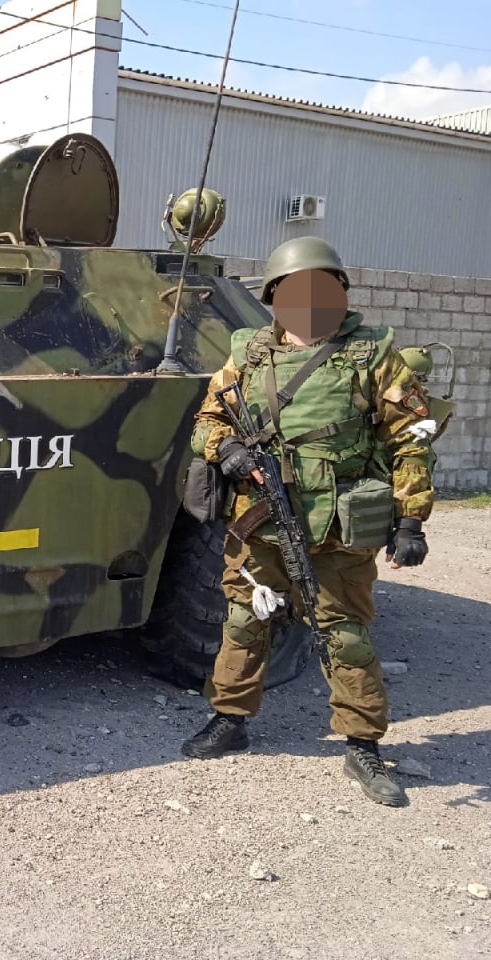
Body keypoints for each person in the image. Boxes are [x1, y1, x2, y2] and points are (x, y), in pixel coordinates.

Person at [180, 236, 435, 807]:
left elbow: (412, 439)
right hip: (258, 521)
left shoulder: (373, 356)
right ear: (275, 296)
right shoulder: (248, 354)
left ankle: (363, 744)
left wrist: (411, 520)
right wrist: (227, 451)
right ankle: (230, 718)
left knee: (343, 632)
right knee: (245, 620)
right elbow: (207, 420)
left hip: (336, 526)